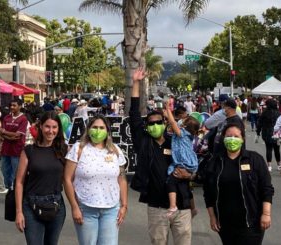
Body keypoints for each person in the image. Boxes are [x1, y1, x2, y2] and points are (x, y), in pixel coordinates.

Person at [127, 70, 195, 245]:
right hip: (156, 206)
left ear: (165, 123)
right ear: (147, 126)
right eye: (151, 123)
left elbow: (194, 166)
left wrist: (191, 176)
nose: (155, 125)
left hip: (182, 205)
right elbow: (134, 114)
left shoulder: (176, 141)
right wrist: (136, 83)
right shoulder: (143, 142)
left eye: (159, 122)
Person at [198, 123, 274, 245]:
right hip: (225, 223)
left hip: (251, 223)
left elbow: (266, 188)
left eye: (236, 136)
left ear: (242, 139)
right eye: (229, 136)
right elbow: (208, 193)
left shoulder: (254, 159)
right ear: (223, 138)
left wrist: (266, 214)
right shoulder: (215, 162)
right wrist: (212, 217)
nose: (232, 139)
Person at [64, 115, 129, 245]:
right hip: (86, 208)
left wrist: (124, 205)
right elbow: (67, 179)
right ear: (88, 129)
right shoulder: (78, 149)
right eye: (94, 127)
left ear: (107, 131)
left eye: (101, 128)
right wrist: (74, 207)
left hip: (111, 209)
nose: (98, 131)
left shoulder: (115, 150)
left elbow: (121, 179)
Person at [15, 112, 68, 245]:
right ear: (40, 127)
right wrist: (19, 212)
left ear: (59, 129)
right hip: (31, 206)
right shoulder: (29, 151)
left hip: (56, 206)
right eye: (47, 127)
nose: (51, 131)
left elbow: (70, 180)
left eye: (54, 127)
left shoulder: (64, 150)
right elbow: (19, 182)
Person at [164, 102, 200, 216]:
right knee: (185, 185)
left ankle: (173, 206)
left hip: (183, 162)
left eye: (183, 122)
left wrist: (168, 110)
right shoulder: (189, 135)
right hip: (190, 162)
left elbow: (173, 123)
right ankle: (193, 209)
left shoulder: (182, 134)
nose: (180, 122)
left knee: (171, 181)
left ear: (185, 126)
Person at [0, 100, 30, 192]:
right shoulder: (6, 118)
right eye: (11, 105)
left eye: (14, 105)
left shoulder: (23, 119)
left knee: (16, 172)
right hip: (6, 149)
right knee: (5, 171)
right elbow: (1, 133)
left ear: (20, 106)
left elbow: (18, 135)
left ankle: (16, 190)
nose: (12, 107)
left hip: (17, 150)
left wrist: (5, 133)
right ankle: (9, 188)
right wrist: (10, 136)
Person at [258, 99, 281, 171]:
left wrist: (258, 132)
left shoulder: (264, 113)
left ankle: (269, 166)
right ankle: (279, 165)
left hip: (266, 133)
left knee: (268, 149)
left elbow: (260, 123)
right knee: (277, 149)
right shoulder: (278, 113)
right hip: (276, 133)